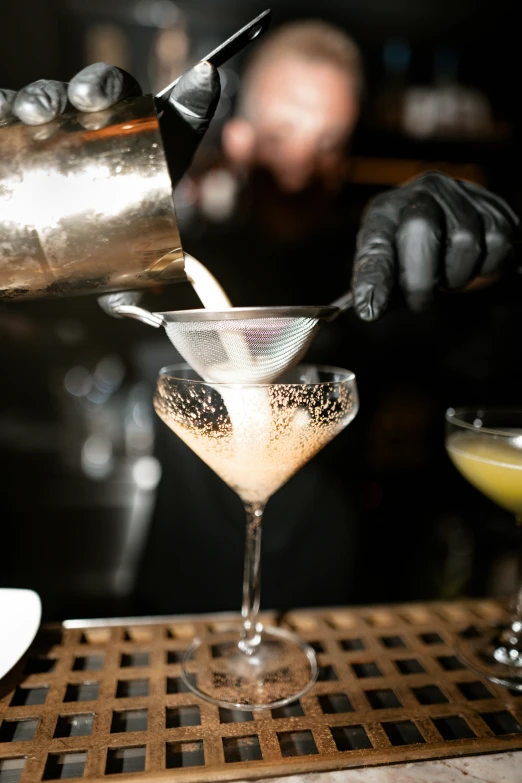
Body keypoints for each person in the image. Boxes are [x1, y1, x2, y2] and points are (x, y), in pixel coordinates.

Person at [1, 26, 519, 614]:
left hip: (336, 607)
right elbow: (51, 333)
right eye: (282, 135)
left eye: (328, 143)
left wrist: (495, 264)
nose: (302, 166)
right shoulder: (164, 259)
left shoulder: (380, 273)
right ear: (239, 140)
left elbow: (489, 364)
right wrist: (43, 217)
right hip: (174, 604)